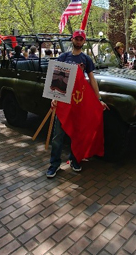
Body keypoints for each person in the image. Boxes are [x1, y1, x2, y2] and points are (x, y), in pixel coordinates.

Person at [47, 30, 108, 178]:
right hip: (63, 102)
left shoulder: (86, 59)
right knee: (58, 136)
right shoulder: (63, 57)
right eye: (77, 38)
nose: (79, 41)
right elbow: (57, 78)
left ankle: (74, 160)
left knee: (77, 133)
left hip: (78, 102)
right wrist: (54, 97)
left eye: (81, 39)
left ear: (84, 41)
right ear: (72, 40)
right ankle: (54, 164)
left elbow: (92, 80)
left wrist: (98, 99)